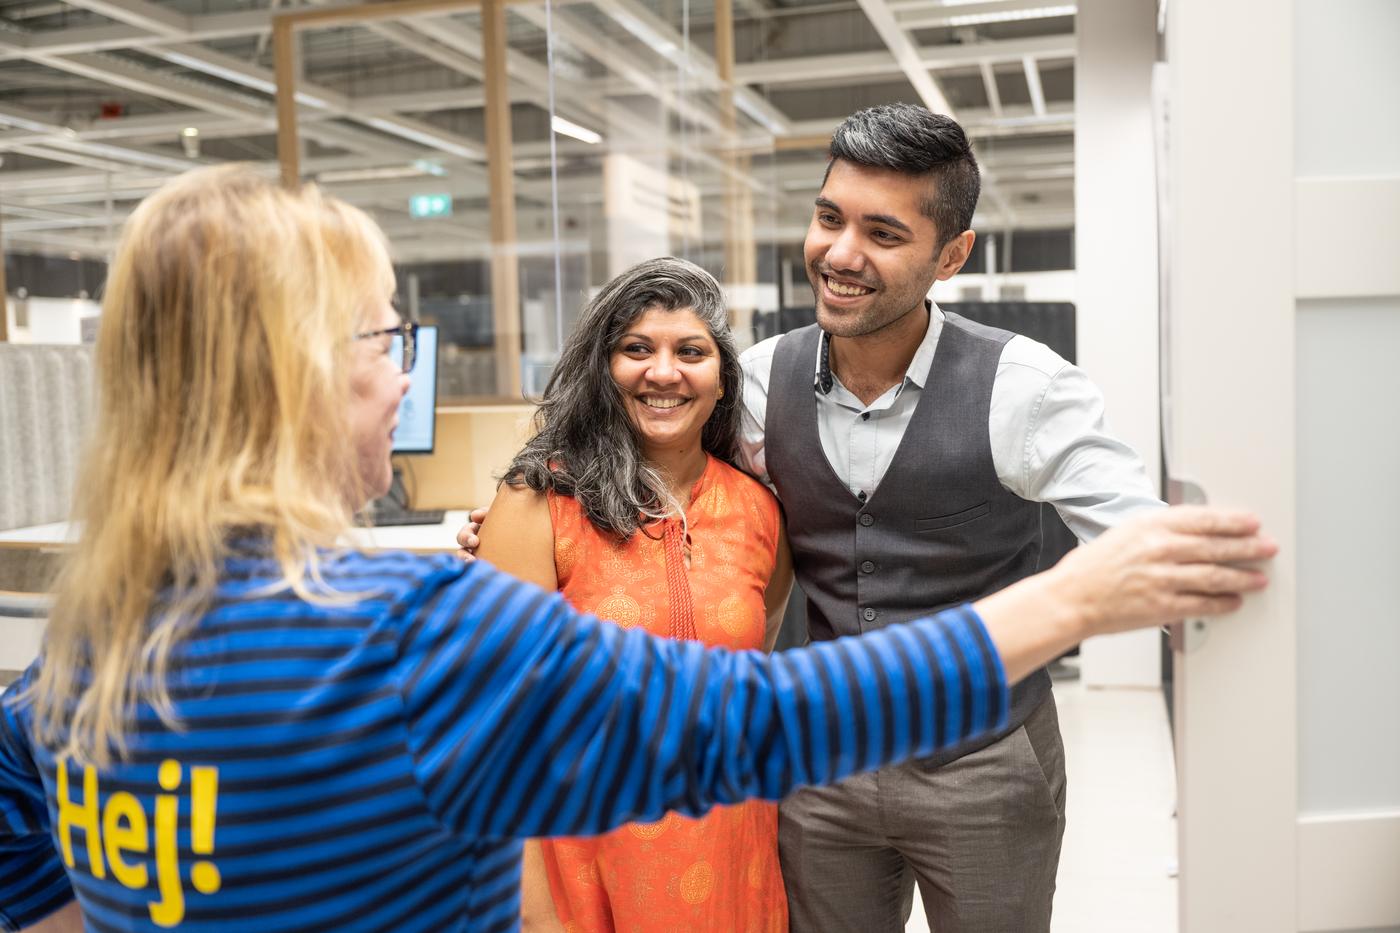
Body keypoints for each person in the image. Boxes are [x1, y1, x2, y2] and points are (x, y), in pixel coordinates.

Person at [0, 165, 1274, 933]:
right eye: (387, 343)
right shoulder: (406, 644)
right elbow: (762, 715)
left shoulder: (85, 653)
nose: (401, 383)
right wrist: (1070, 596)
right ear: (293, 379)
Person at [736, 103, 1166, 932]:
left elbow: (1138, 545)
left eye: (883, 234)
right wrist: (529, 509)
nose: (840, 254)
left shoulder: (1025, 387)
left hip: (985, 761)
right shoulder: (760, 380)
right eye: (829, 218)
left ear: (952, 254)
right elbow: (662, 480)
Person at [475, 257, 794, 932]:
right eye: (636, 349)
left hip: (732, 858)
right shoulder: (542, 501)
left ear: (721, 378)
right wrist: (531, 912)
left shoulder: (758, 511)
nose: (664, 372)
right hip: (584, 866)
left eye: (691, 351)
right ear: (604, 367)